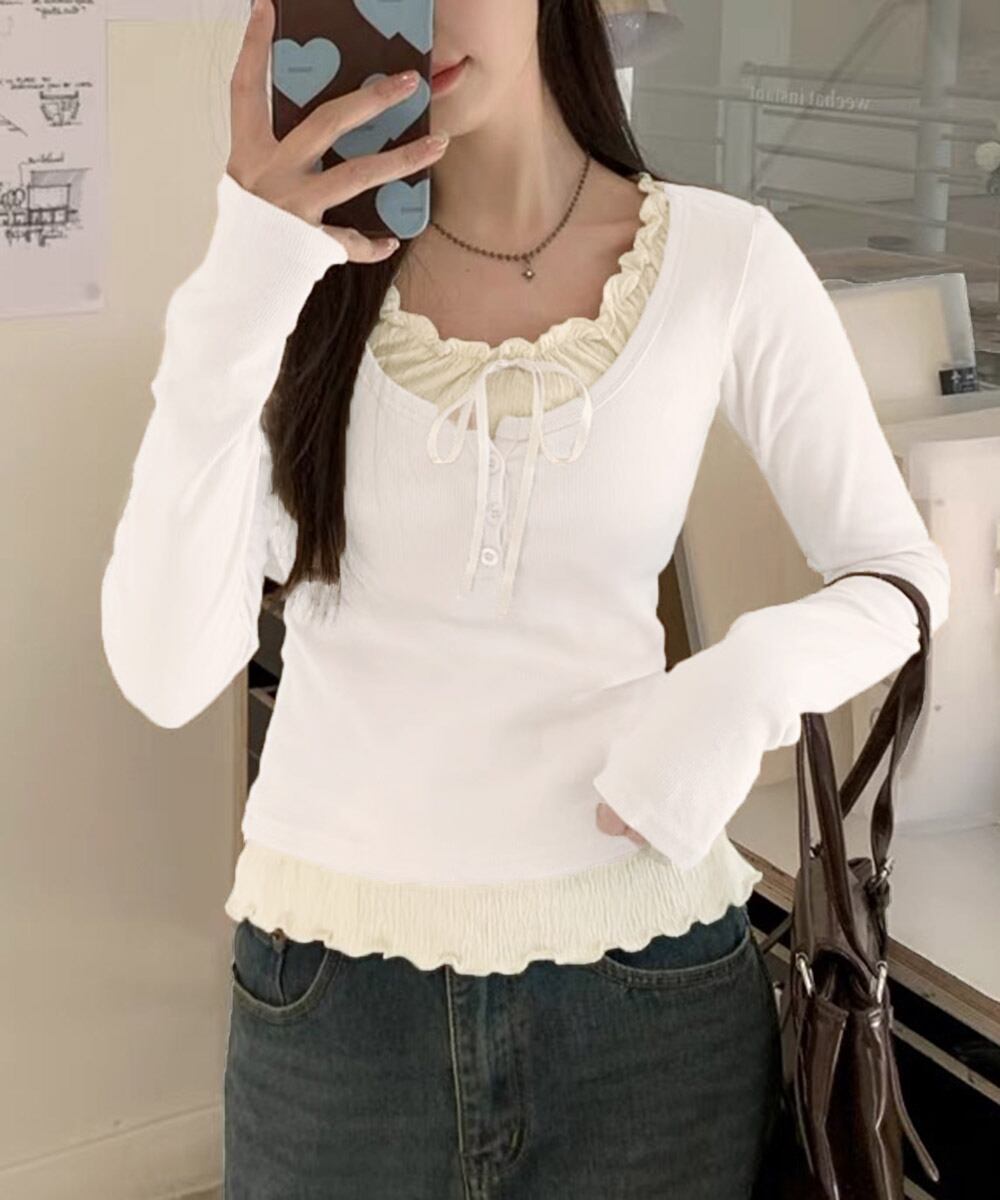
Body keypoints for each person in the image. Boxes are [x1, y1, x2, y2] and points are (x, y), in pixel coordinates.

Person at [99, 0, 950, 1196]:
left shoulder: (724, 257)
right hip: (333, 1000)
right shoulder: (297, 268)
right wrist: (245, 272)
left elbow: (900, 571)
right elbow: (164, 672)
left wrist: (741, 686)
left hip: (648, 998)